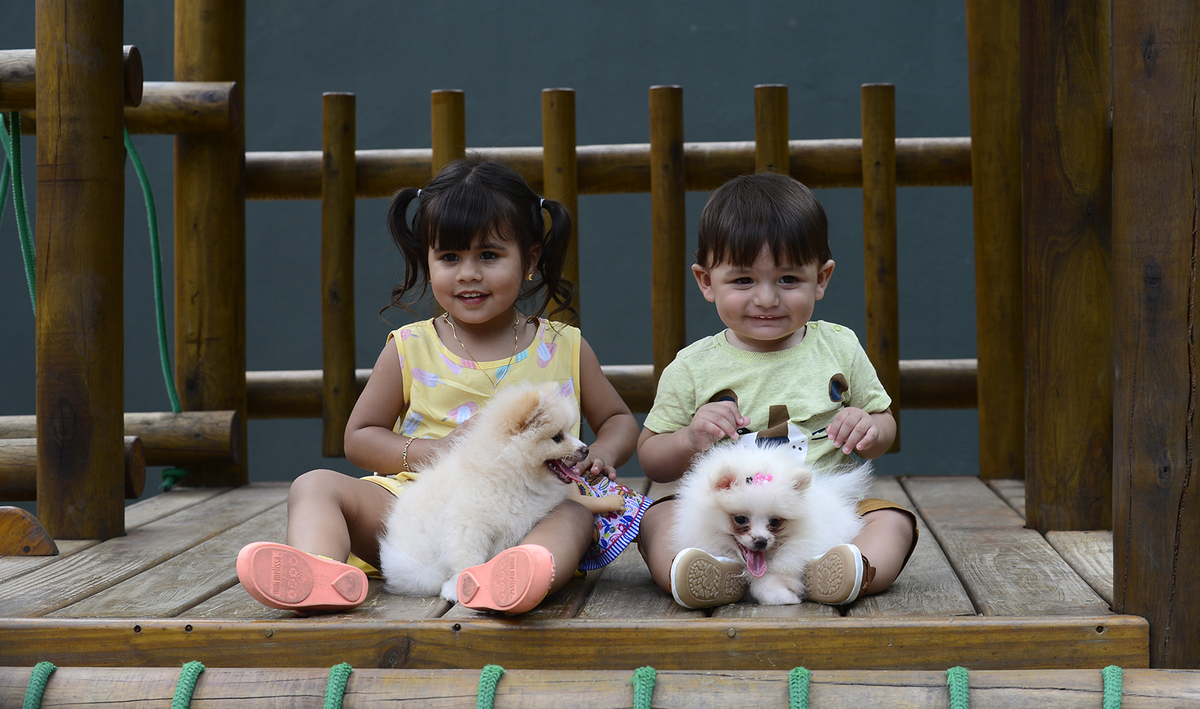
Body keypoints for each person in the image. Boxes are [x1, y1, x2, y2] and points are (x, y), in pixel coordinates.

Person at [237, 159, 643, 614]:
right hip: (417, 507)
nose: (468, 273)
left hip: (528, 508)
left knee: (574, 516)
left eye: (488, 256)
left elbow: (617, 419)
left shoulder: (561, 345)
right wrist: (434, 450)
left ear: (530, 260)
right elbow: (360, 436)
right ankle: (321, 573)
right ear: (427, 260)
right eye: (449, 257)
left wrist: (602, 452)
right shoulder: (411, 347)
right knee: (315, 485)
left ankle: (517, 574)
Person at [636, 172, 917, 609]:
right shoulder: (692, 366)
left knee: (893, 521)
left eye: (787, 279)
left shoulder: (839, 347)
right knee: (657, 517)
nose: (766, 299)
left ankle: (843, 569)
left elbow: (884, 428)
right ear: (706, 282)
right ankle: (709, 573)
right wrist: (689, 438)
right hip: (729, 519)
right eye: (743, 281)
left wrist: (868, 427)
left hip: (825, 508)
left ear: (821, 278)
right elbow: (651, 457)